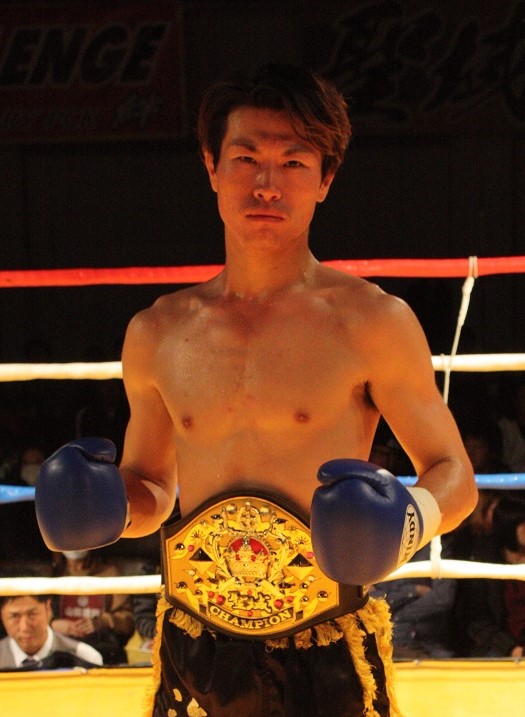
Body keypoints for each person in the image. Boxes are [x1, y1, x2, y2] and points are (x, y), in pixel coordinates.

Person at [35, 63, 477, 717]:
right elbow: (152, 488)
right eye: (246, 158)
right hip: (196, 644)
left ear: (325, 180)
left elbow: (455, 475)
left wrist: (408, 520)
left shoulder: (372, 322)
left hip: (324, 642)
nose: (267, 184)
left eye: (293, 163)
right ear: (211, 166)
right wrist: (109, 506)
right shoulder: (158, 331)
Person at [461, 497, 525, 658]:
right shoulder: (485, 562)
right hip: (497, 644)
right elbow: (477, 620)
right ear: (509, 527)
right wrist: (510, 648)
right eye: (523, 525)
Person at [49, 549, 135, 665]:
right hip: (60, 651)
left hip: (103, 651)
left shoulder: (110, 574)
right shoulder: (52, 574)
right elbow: (33, 611)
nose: (74, 544)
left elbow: (128, 621)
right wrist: (53, 624)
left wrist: (102, 621)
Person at [0, 593, 103, 669]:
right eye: (14, 616)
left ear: (48, 608)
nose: (24, 627)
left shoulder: (85, 658)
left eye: (32, 614)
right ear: (2, 615)